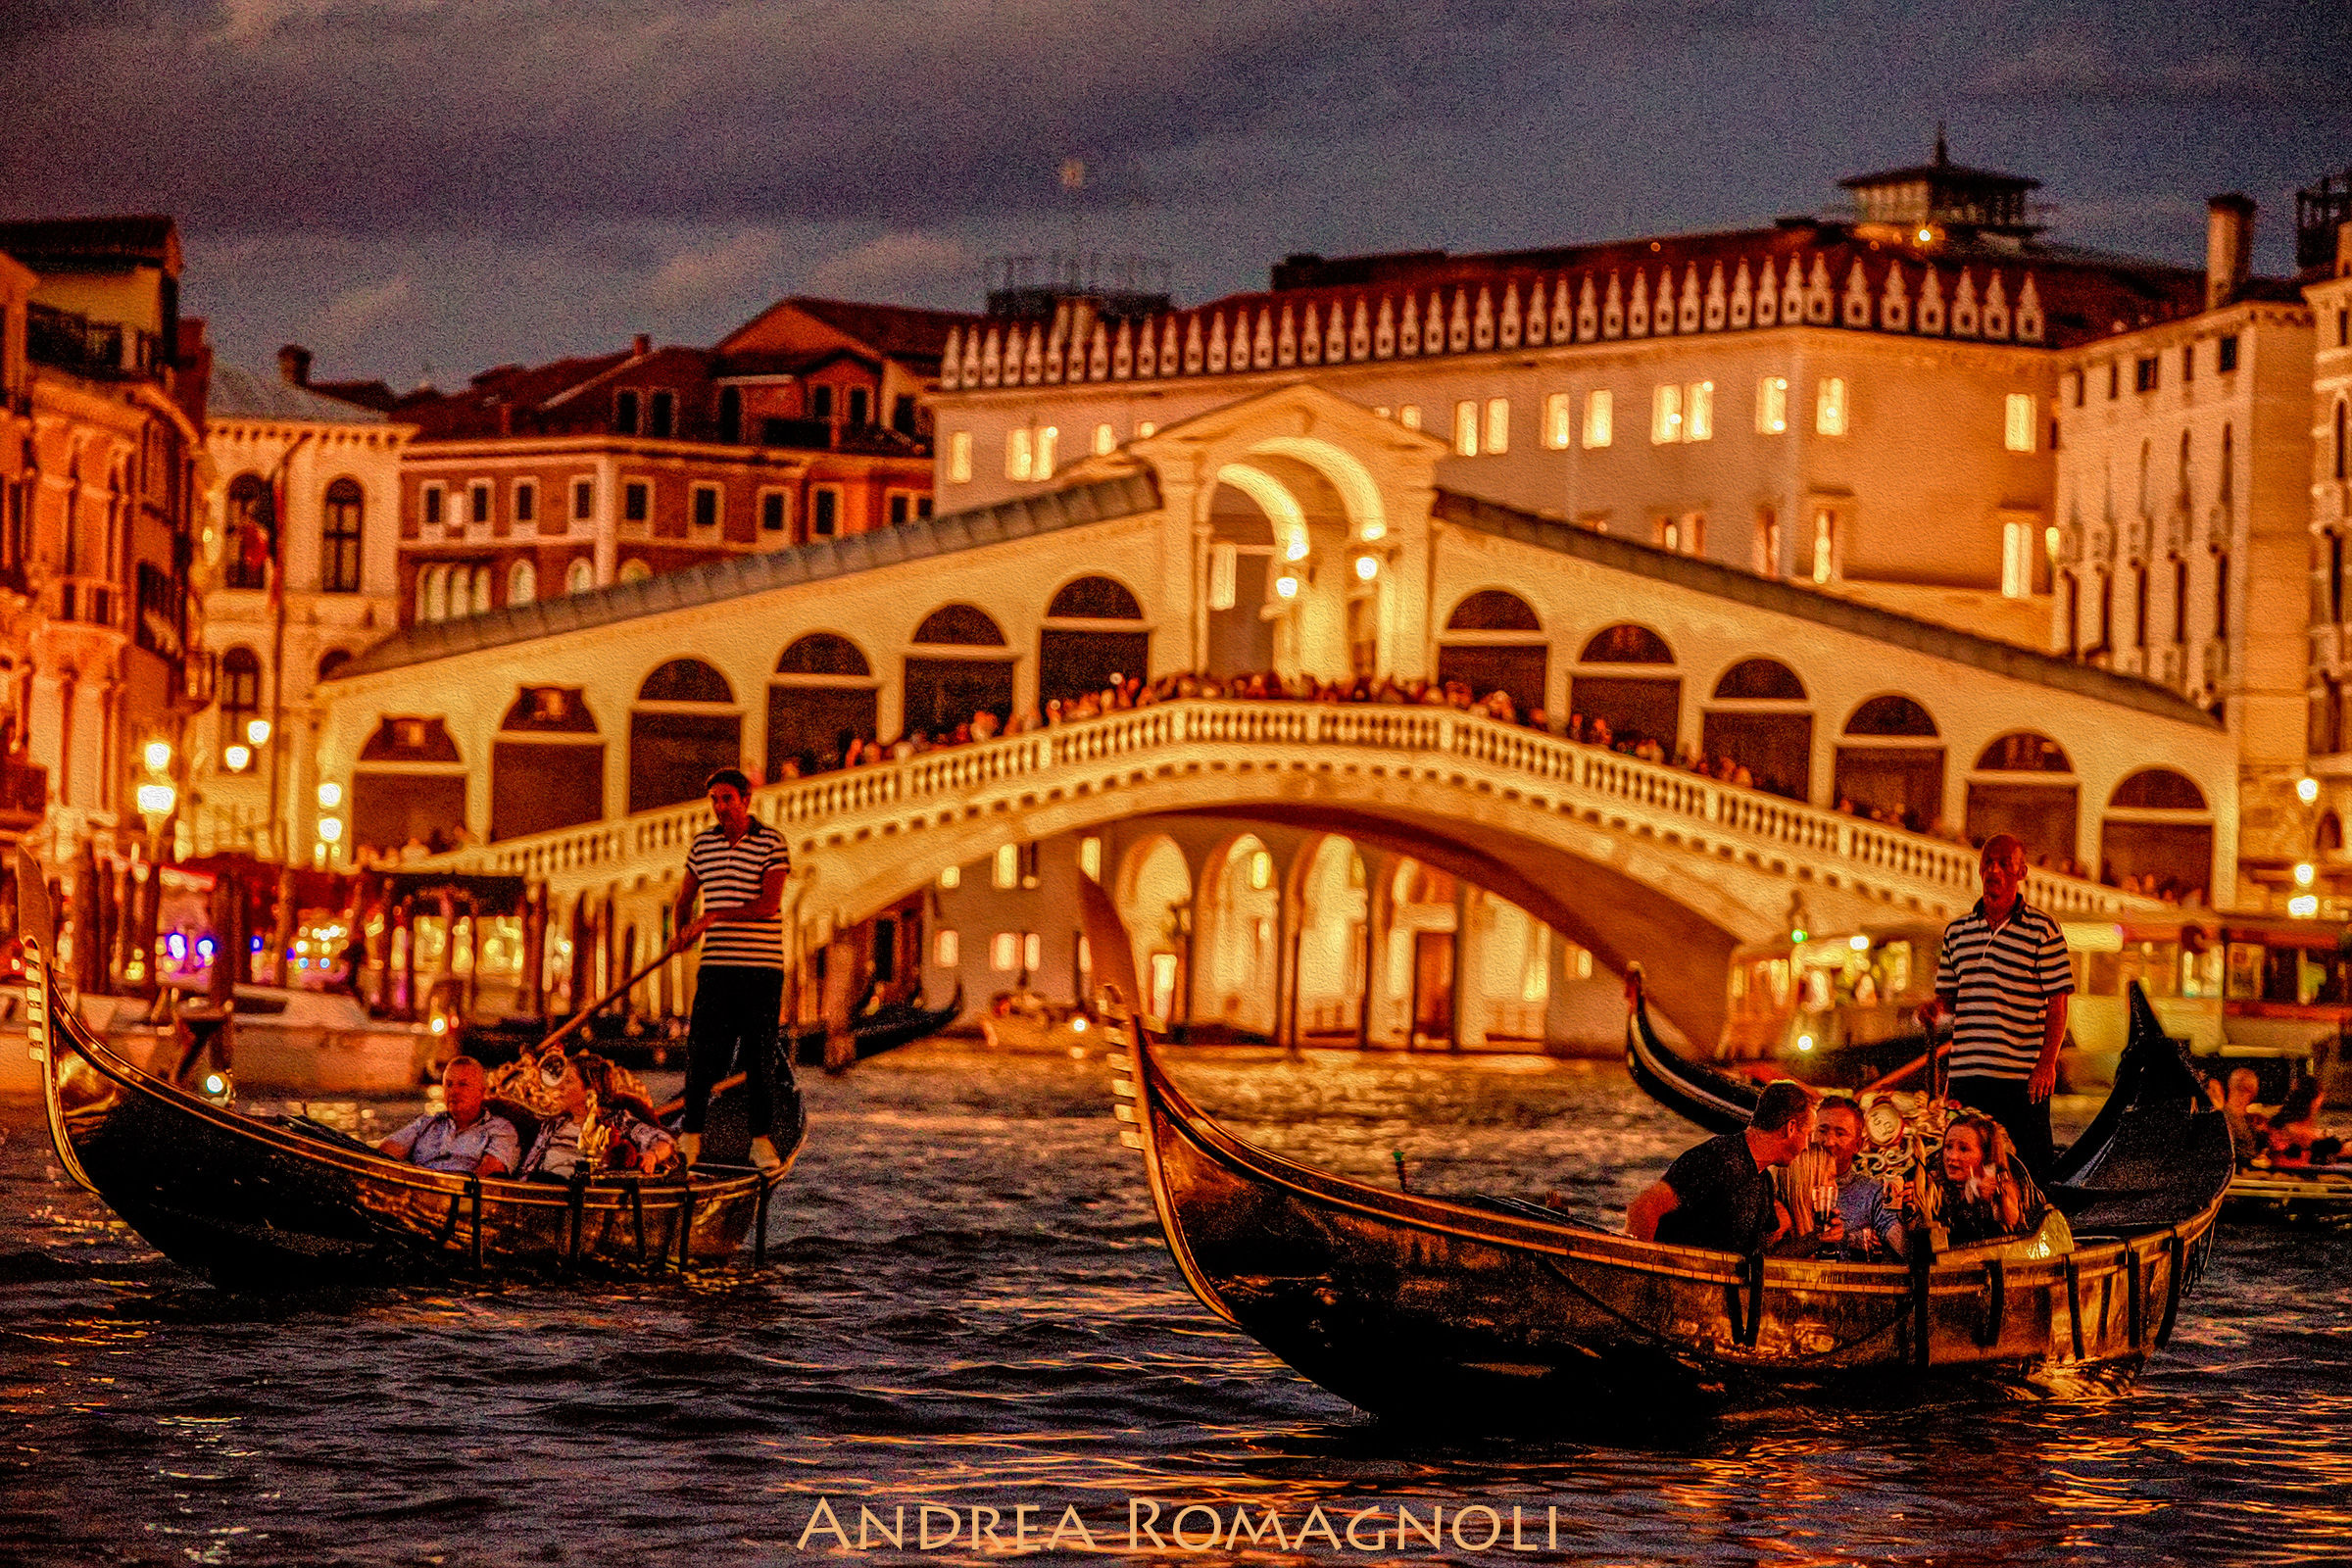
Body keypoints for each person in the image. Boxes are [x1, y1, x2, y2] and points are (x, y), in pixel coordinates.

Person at [1916, 833, 2073, 1181]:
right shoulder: (1957, 931)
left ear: (2022, 872)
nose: (1994, 870)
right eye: (1988, 863)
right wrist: (1935, 1008)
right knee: (1959, 1164)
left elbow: (2058, 1002)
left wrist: (2046, 1066)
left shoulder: (2043, 930)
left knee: (2029, 1167)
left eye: (2004, 863)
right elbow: (1951, 999)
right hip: (1967, 1073)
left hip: (2021, 1075)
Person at [671, 766, 792, 1170]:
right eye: (715, 800)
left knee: (758, 1055)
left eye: (727, 799)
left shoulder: (772, 843)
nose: (720, 807)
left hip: (761, 968)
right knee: (701, 1052)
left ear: (745, 800)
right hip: (716, 967)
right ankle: (690, 1137)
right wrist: (682, 932)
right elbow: (684, 899)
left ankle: (759, 1141)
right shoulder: (703, 845)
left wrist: (712, 918)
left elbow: (768, 905)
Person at [1626, 1080, 1815, 1252]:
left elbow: (1762, 1253)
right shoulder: (1716, 1158)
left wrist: (1816, 1239)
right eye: (1807, 1134)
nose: (1807, 1146)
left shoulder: (1764, 1180)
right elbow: (1644, 1207)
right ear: (1791, 1128)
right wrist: (1646, 1271)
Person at [518, 1053, 679, 1178]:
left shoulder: (617, 1121)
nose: (560, 1087)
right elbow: (528, 1169)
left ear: (590, 1089)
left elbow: (663, 1140)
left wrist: (652, 1155)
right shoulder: (554, 1125)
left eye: (568, 1081)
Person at [1787, 1095, 1908, 1259]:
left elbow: (1905, 1250)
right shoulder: (1787, 1182)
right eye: (1822, 1130)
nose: (1829, 1142)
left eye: (1840, 1133)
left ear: (1858, 1144)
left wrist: (1912, 1215)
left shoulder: (1872, 1193)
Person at [378, 1056, 518, 1176]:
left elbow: (489, 1176)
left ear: (482, 1092)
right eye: (449, 1085)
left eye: (463, 1085)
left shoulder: (500, 1129)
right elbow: (383, 1156)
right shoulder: (426, 1123)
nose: (454, 1091)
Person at [1932, 1114, 2048, 1245]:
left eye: (1964, 1149)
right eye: (1948, 1147)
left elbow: (2013, 1222)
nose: (1952, 1156)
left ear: (1985, 1155)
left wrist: (1998, 1199)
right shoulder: (1935, 1186)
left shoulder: (2003, 1182)